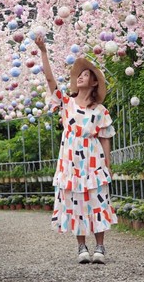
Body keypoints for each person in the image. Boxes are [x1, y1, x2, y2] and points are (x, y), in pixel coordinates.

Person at [35, 35, 117, 264]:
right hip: (70, 160)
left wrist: (108, 165)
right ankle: (81, 247)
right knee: (76, 203)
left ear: (93, 83)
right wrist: (43, 51)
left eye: (86, 76)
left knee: (97, 201)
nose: (81, 78)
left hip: (93, 160)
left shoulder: (100, 110)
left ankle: (100, 247)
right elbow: (50, 79)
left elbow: (105, 138)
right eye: (79, 75)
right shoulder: (66, 103)